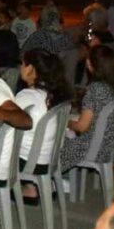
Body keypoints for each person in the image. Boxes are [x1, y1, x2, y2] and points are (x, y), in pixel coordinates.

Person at [14, 49, 73, 200]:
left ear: (31, 69)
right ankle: (32, 187)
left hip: (29, 163)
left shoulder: (26, 97)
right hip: (49, 158)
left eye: (23, 64)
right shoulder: (55, 94)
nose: (20, 67)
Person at [60, 45, 114, 173]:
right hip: (111, 146)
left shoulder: (95, 89)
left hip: (93, 148)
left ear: (90, 64)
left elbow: (82, 127)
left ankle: (57, 181)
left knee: (53, 142)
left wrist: (64, 121)